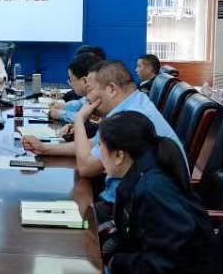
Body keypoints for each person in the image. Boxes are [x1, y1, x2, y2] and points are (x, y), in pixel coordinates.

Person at [98, 111, 222, 274]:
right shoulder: (145, 174)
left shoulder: (154, 191)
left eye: (100, 147)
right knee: (89, 272)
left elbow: (162, 267)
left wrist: (117, 262)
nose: (99, 155)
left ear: (118, 155)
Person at [23, 60, 185, 203]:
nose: (87, 99)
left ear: (111, 89)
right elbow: (93, 145)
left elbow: (87, 167)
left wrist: (79, 120)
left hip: (132, 212)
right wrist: (45, 148)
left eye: (90, 90)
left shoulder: (130, 117)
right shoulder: (134, 102)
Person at [49, 53, 102, 124]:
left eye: (70, 79)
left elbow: (86, 119)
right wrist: (64, 107)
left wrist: (60, 114)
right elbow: (80, 104)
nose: (70, 83)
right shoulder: (90, 96)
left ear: (85, 81)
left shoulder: (99, 99)